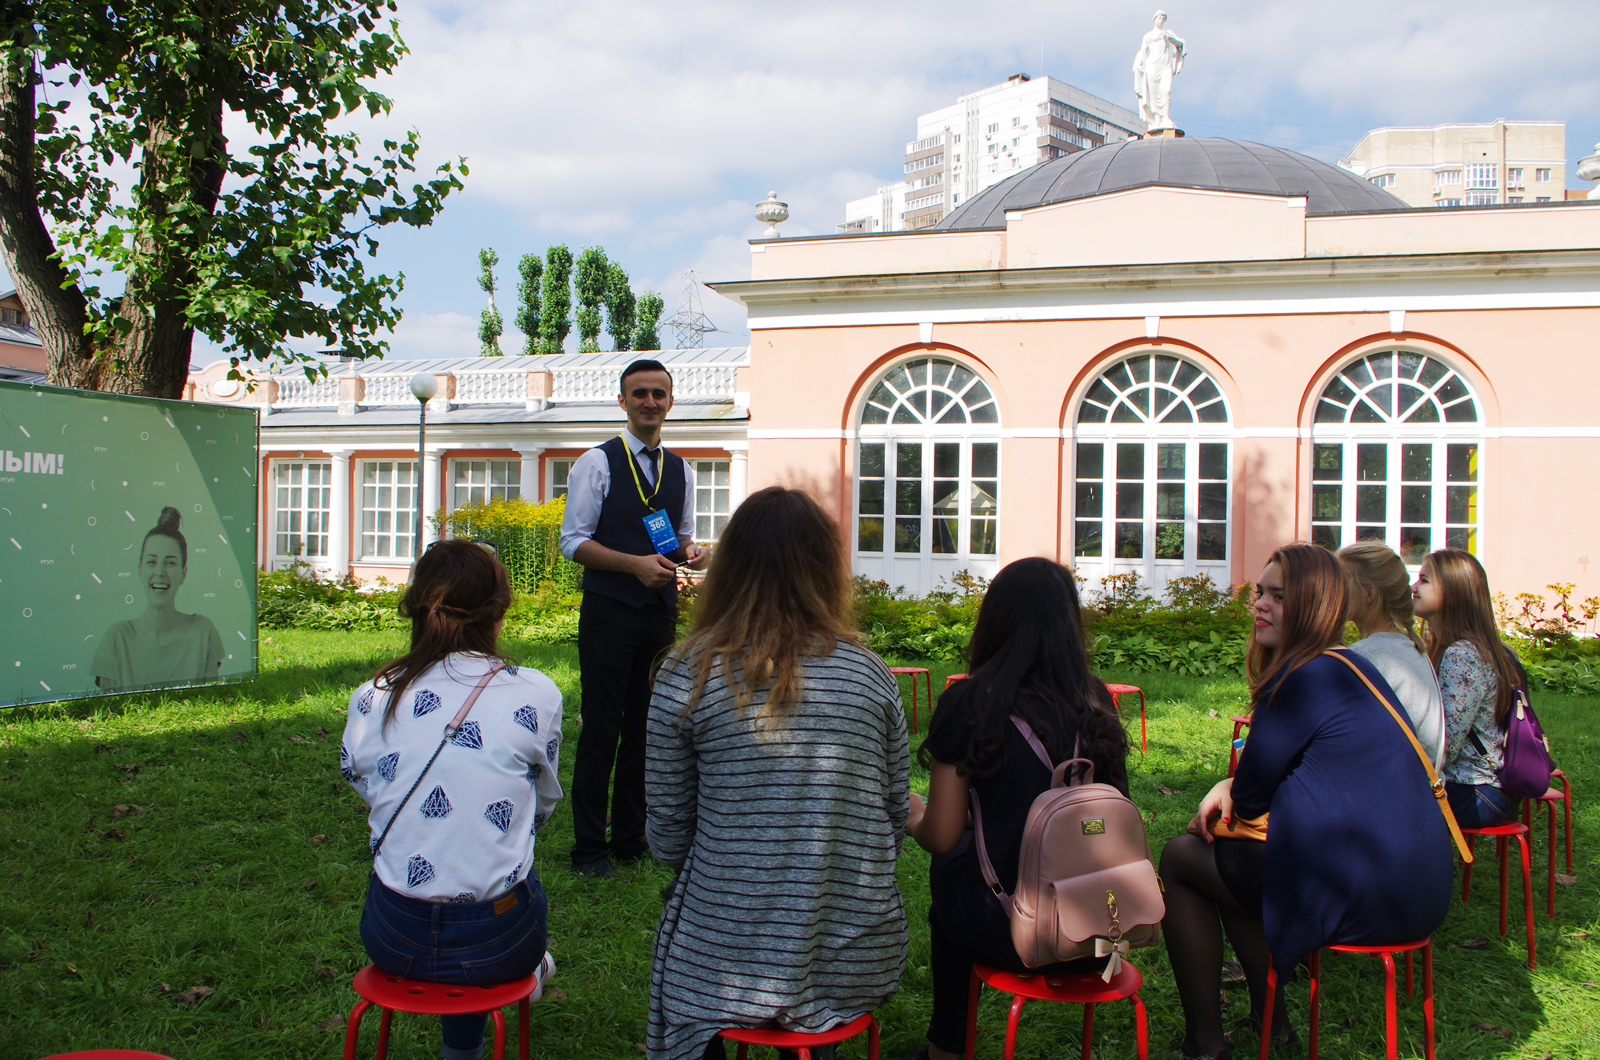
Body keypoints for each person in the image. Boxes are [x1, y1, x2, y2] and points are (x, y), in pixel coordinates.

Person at [1160, 543, 1453, 1060]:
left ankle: (1204, 1043)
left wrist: (1227, 790)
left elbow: (1249, 804)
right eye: (1260, 593)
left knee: (1184, 858)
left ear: (1314, 606)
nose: (1260, 606)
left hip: (1368, 895)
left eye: (1279, 596)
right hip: (1423, 890)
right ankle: (1270, 1021)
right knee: (1236, 865)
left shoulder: (1299, 680)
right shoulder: (1349, 668)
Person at [645, 486, 909, 1060]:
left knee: (693, 968)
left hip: (724, 958)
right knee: (812, 954)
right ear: (824, 569)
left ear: (729, 568)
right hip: (857, 950)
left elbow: (667, 839)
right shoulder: (871, 674)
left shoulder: (686, 675)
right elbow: (892, 817)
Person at [340, 540, 564, 1060]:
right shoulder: (536, 692)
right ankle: (524, 980)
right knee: (512, 872)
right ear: (500, 610)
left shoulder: (374, 694)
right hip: (500, 941)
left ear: (416, 606)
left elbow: (362, 779)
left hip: (392, 935)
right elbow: (541, 806)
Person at [905, 557, 1129, 1060]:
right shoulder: (1095, 702)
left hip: (1016, 933)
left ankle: (948, 1046)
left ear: (995, 620)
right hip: (1099, 933)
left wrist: (913, 811)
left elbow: (940, 833)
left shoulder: (971, 702)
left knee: (953, 866)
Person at [559, 358, 708, 879]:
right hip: (609, 611)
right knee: (602, 728)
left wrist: (692, 553)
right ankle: (588, 849)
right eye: (639, 393)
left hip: (658, 615)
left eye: (658, 394)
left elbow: (679, 535)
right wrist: (632, 566)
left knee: (647, 729)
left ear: (671, 401)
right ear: (622, 402)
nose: (649, 402)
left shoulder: (682, 469)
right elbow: (572, 542)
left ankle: (628, 837)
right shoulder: (596, 463)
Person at [1412, 548, 1524, 828]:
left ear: (1452, 592)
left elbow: (1443, 746)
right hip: (1469, 786)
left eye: (1424, 580)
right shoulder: (1452, 647)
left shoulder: (1463, 655)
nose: (1414, 587)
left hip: (1475, 791)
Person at [1337, 541, 1446, 768]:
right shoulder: (1410, 647)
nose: (1333, 590)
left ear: (1368, 593)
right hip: (1417, 792)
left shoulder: (1365, 657)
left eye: (1341, 581)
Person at [92, 506, 225, 691]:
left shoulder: (203, 631)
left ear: (183, 573)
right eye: (151, 562)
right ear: (140, 570)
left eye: (170, 563)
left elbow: (210, 697)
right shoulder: (117, 637)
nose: (160, 572)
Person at [1132, 9, 1186, 130]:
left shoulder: (1167, 33)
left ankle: (1165, 117)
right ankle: (1157, 118)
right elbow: (1143, 52)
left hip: (1166, 65)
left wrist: (1171, 39)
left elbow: (1180, 44)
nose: (1161, 20)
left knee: (1166, 90)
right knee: (1154, 92)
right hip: (1152, 65)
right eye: (1159, 18)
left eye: (1163, 19)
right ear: (1154, 19)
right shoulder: (1148, 36)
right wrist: (1141, 65)